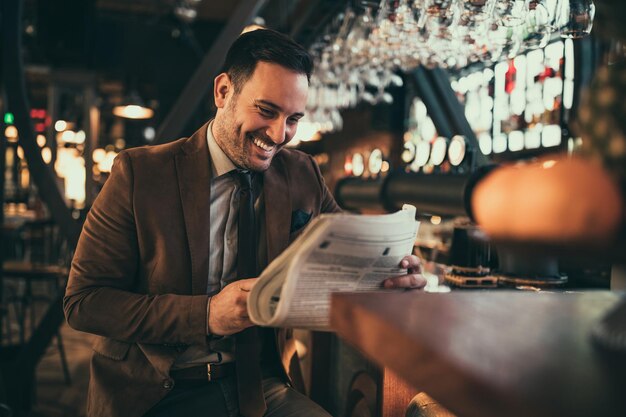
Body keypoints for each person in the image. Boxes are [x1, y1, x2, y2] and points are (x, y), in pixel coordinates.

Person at [63, 28, 425, 417]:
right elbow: (85, 302)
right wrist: (206, 314)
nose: (278, 134)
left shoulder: (301, 172)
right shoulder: (140, 173)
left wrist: (391, 275)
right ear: (222, 92)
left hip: (258, 385)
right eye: (267, 111)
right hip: (155, 393)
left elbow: (348, 255)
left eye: (293, 119)